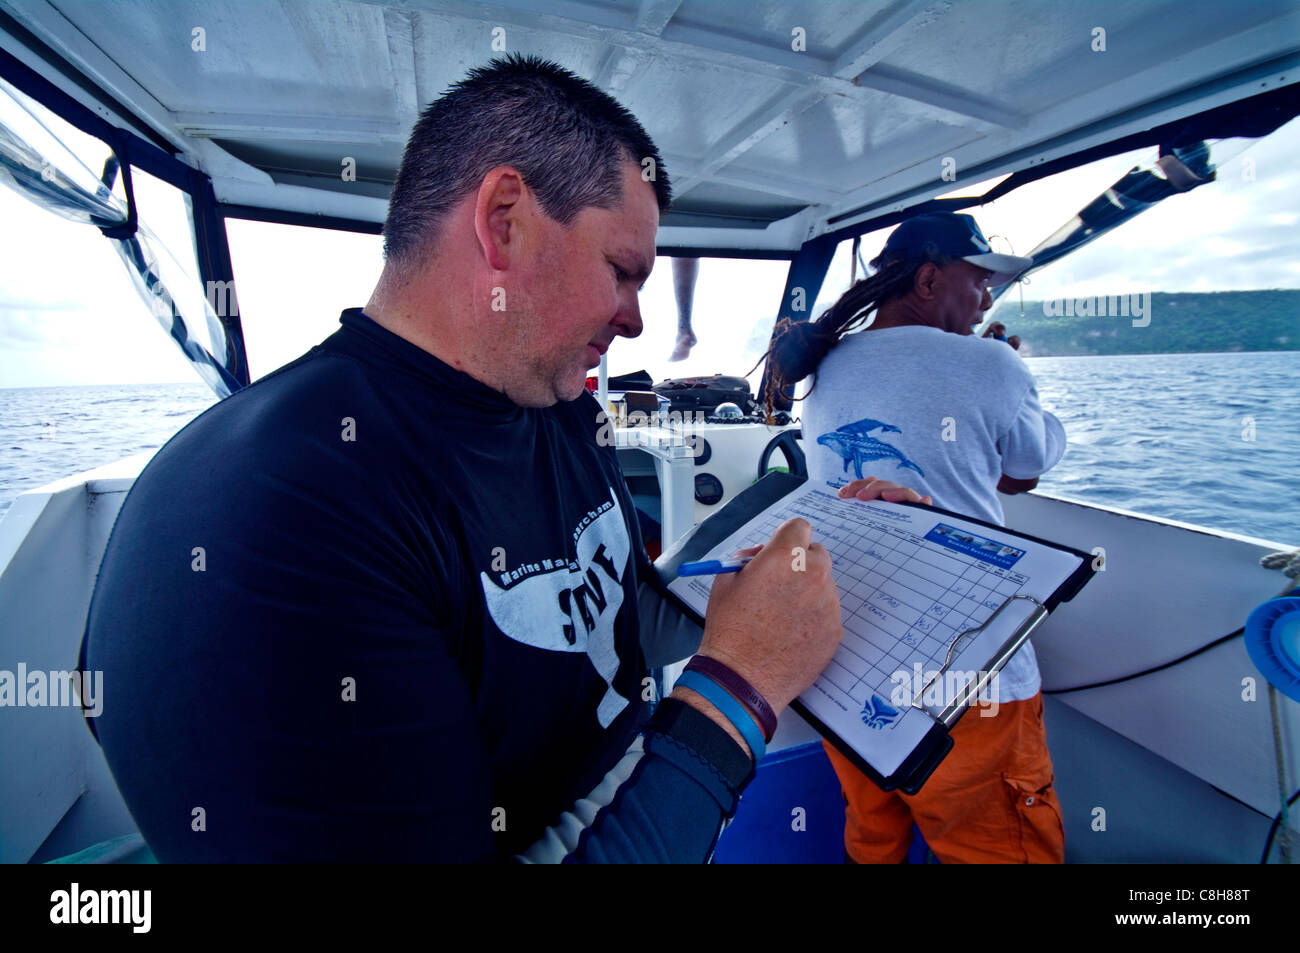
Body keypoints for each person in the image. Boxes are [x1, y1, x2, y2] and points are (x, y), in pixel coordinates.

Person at [80, 55, 928, 863]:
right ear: (505, 221)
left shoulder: (552, 402)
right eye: (622, 270)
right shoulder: (284, 510)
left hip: (632, 777)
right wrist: (738, 684)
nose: (634, 320)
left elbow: (614, 606)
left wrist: (815, 536)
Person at [764, 211, 1067, 863]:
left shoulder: (827, 364)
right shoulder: (991, 362)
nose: (986, 298)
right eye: (979, 280)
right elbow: (1024, 474)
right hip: (967, 685)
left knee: (874, 837)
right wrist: (1009, 371)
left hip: (846, 673)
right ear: (930, 279)